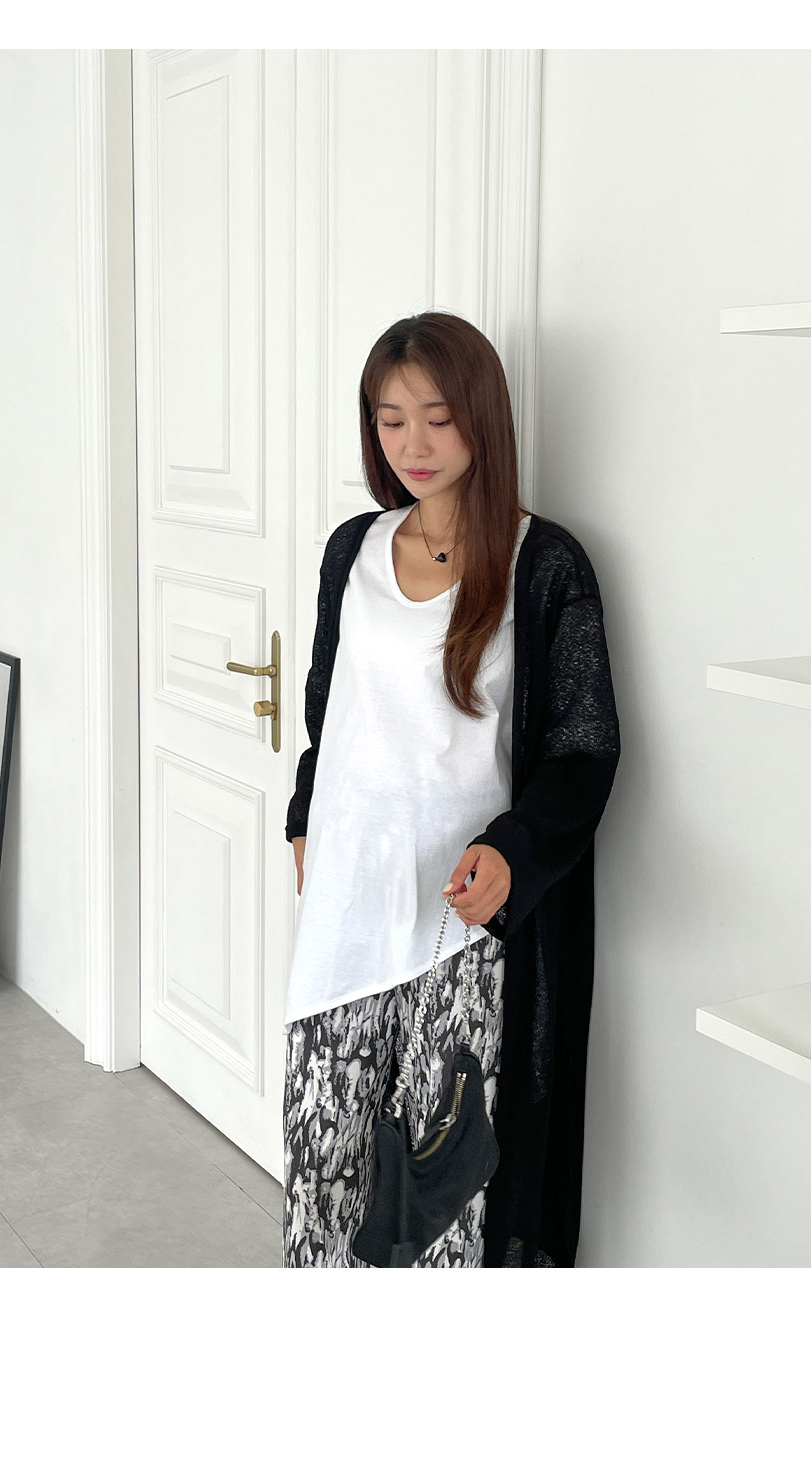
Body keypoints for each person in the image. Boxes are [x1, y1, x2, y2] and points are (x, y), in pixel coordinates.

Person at [282, 311, 621, 1268]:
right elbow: (329, 708)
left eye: (437, 416)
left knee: (443, 1200)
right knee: (327, 1176)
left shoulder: (543, 564)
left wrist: (514, 853)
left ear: (482, 415)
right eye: (391, 420)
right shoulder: (352, 550)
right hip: (345, 914)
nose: (414, 444)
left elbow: (584, 750)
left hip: (460, 930)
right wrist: (306, 818)